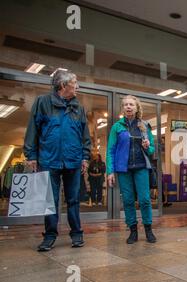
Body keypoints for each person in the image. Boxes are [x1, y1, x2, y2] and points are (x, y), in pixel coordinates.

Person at [23, 69, 91, 251]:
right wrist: (31, 155)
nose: (77, 86)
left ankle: (77, 234)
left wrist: (85, 156)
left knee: (74, 199)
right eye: (74, 82)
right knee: (50, 200)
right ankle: (50, 235)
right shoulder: (42, 103)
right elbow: (33, 130)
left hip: (73, 160)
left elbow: (85, 135)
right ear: (63, 85)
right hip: (49, 159)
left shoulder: (79, 107)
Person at [106, 95, 156, 244]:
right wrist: (110, 171)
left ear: (136, 108)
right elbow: (110, 150)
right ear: (123, 108)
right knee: (128, 201)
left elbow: (152, 148)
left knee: (145, 200)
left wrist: (148, 146)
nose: (128, 107)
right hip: (124, 169)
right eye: (126, 105)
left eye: (131, 105)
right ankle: (133, 231)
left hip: (141, 167)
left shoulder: (144, 125)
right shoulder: (117, 127)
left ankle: (148, 229)